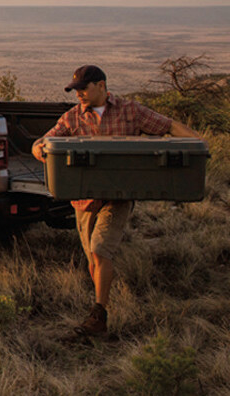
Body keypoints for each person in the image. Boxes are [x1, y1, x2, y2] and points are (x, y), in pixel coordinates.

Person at [31, 65, 203, 337]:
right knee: (92, 260)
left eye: (84, 89)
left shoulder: (130, 111)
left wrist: (199, 146)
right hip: (83, 200)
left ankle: (98, 315)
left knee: (100, 251)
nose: (80, 95)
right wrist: (39, 148)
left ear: (101, 86)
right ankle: (101, 302)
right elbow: (45, 140)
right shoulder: (72, 118)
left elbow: (167, 126)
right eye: (76, 91)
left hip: (118, 198)